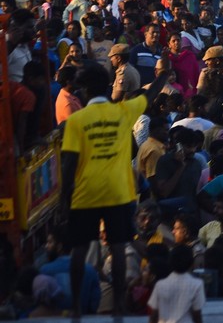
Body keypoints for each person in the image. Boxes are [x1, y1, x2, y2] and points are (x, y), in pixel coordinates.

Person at [60, 60, 169, 316]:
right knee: (119, 247)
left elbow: (68, 165)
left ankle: (76, 306)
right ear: (106, 86)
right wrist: (164, 74)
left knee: (80, 248)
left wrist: (65, 201)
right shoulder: (123, 111)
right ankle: (119, 304)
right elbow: (150, 94)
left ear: (84, 91)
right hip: (119, 191)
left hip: (86, 193)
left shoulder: (76, 121)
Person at [147, 244, 205, 323]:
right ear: (191, 263)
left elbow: (154, 314)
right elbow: (197, 314)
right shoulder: (197, 284)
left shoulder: (160, 285)